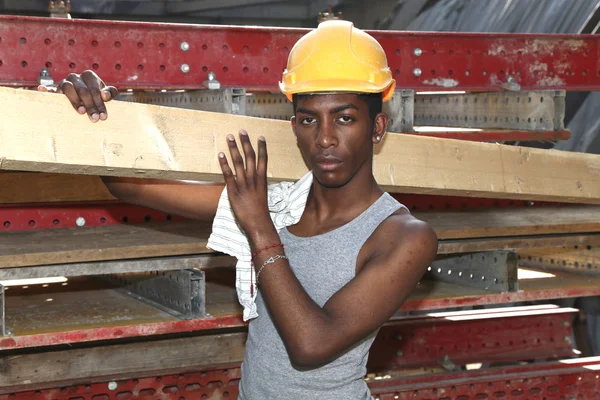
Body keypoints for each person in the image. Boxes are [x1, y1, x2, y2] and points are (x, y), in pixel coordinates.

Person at [41, 19, 438, 400]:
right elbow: (127, 185)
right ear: (294, 126)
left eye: (345, 118)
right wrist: (94, 113)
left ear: (378, 128)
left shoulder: (403, 235)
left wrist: (259, 228)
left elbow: (312, 344)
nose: (325, 139)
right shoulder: (279, 205)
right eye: (308, 120)